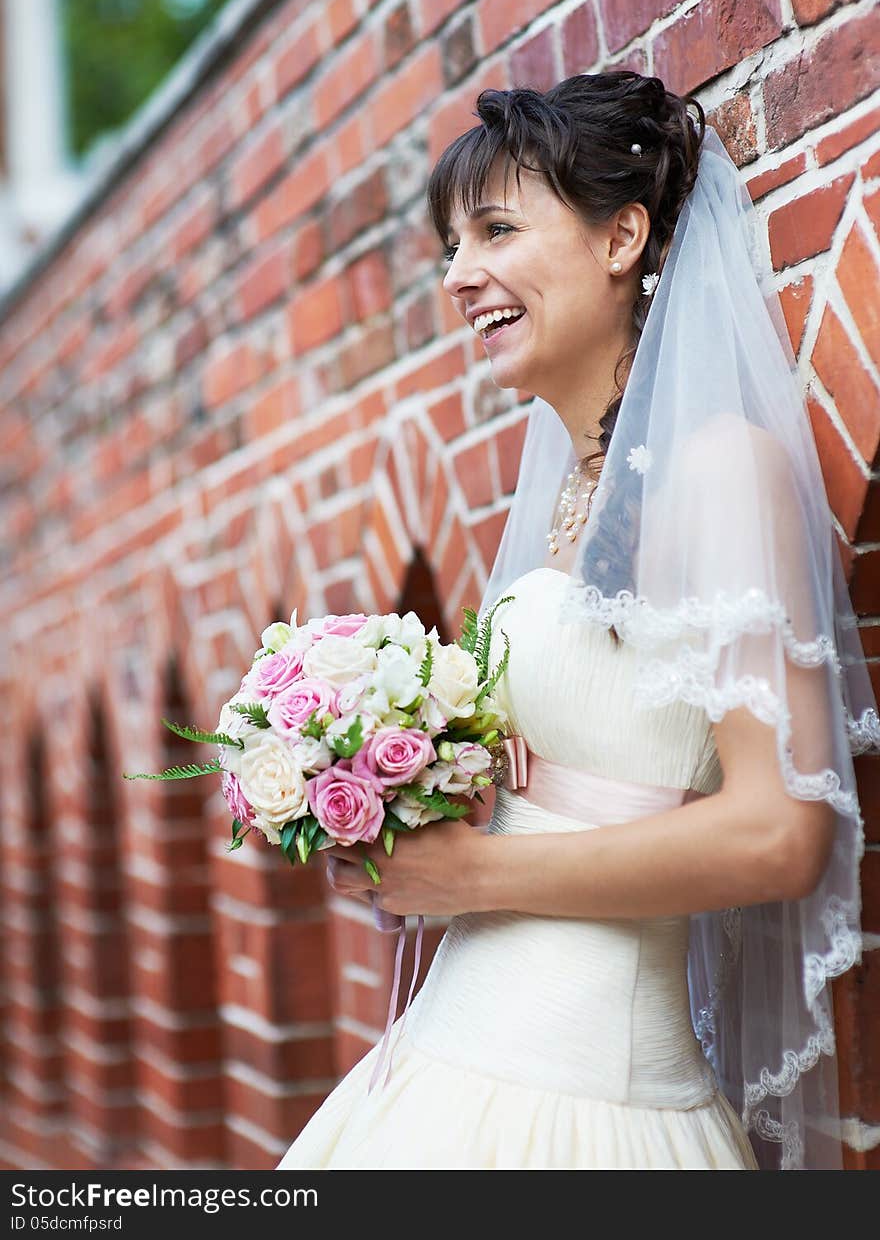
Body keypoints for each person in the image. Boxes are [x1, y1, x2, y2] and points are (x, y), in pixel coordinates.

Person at [276, 72, 873, 1170]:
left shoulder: (717, 471)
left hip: (590, 1111)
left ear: (621, 238)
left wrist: (475, 876)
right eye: (452, 245)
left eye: (495, 229)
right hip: (440, 1069)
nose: (460, 277)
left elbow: (779, 833)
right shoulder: (563, 490)